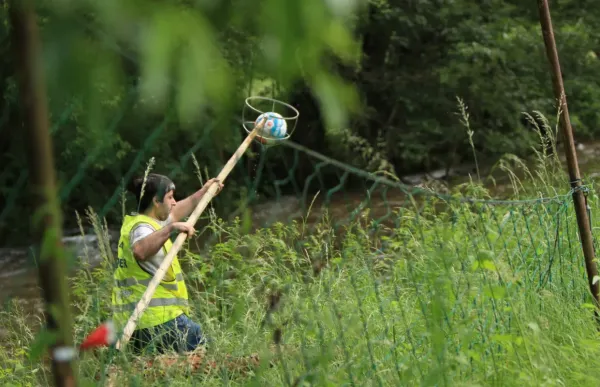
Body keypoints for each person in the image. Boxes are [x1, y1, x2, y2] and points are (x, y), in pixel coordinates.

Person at [111, 173, 224, 354]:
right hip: (157, 320)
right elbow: (140, 250)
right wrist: (171, 229)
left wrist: (204, 192)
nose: (173, 202)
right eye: (170, 197)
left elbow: (176, 212)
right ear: (156, 201)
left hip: (135, 324)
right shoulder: (142, 228)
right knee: (208, 349)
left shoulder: (146, 221)